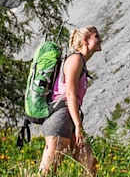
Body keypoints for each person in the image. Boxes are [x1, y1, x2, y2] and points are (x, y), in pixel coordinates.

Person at [39, 25, 102, 176]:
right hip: (60, 118)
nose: (100, 39)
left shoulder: (80, 61)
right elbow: (70, 94)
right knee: (47, 172)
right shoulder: (75, 59)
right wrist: (78, 125)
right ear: (86, 40)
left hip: (69, 118)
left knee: (91, 165)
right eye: (97, 36)